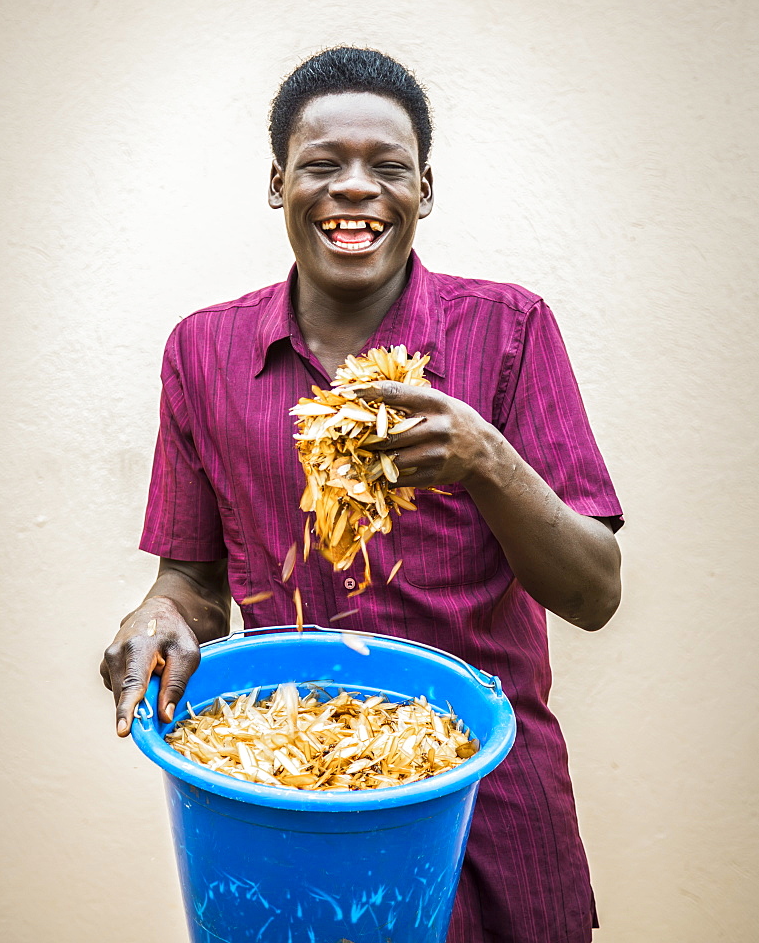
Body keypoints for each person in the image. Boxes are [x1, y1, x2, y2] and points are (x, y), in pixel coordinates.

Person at [101, 46, 623, 943]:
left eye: (387, 168)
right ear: (278, 184)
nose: (355, 188)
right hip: (288, 796)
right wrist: (157, 617)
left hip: (485, 797)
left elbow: (594, 593)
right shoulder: (202, 353)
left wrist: (486, 460)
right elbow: (190, 581)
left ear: (424, 189)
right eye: (321, 165)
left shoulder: (508, 330)